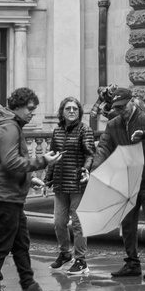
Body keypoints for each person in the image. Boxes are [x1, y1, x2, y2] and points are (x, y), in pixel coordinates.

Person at [0, 87, 59, 291]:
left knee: (20, 244)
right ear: (17, 106)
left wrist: (29, 179)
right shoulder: (10, 128)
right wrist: (42, 161)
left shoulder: (10, 125)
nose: (32, 113)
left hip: (9, 195)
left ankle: (30, 287)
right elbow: (10, 162)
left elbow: (10, 163)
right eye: (30, 108)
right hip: (3, 196)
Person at [89, 86, 145, 279]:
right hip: (127, 180)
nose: (120, 111)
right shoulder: (113, 124)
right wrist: (94, 170)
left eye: (123, 106)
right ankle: (132, 263)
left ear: (132, 102)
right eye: (117, 108)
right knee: (127, 224)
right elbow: (103, 147)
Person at [47, 95, 95, 278]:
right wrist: (47, 179)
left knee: (78, 223)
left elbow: (90, 153)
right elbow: (53, 156)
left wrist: (86, 169)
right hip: (60, 184)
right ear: (62, 112)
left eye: (75, 108)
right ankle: (65, 253)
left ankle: (81, 260)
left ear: (79, 111)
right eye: (68, 108)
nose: (72, 111)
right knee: (59, 222)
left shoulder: (85, 130)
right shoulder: (57, 131)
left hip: (77, 184)